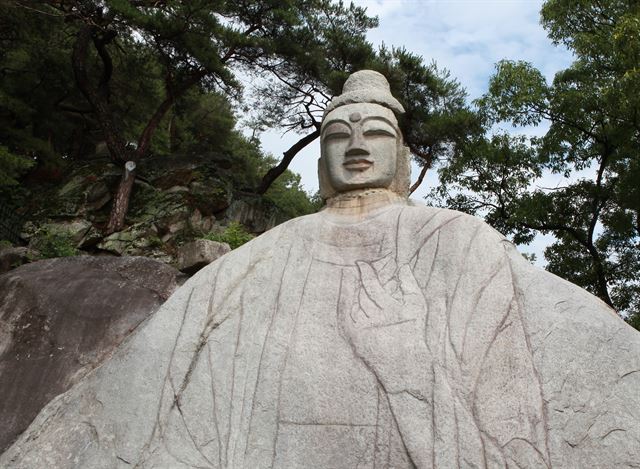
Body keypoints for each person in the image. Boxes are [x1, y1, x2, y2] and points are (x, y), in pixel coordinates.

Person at [2, 71, 639, 468]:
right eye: (338, 134)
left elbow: (512, 430)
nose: (357, 146)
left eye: (374, 134)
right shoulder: (259, 260)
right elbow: (168, 400)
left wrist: (410, 370)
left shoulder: (456, 241)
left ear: (402, 156)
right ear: (320, 156)